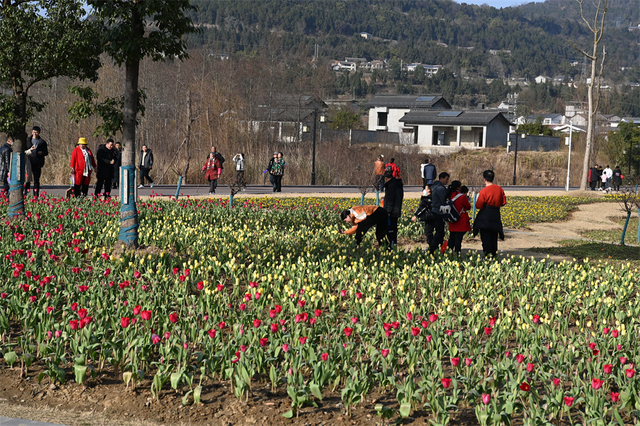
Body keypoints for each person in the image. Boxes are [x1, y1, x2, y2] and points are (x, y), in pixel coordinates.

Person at [473, 169, 507, 258]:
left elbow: (479, 205)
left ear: (484, 179)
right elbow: (503, 202)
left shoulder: (484, 191)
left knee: (486, 238)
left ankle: (487, 256)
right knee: (494, 238)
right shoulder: (499, 189)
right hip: (495, 215)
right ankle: (494, 256)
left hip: (485, 217)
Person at [427, 172, 450, 255]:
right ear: (441, 178)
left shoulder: (434, 186)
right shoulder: (440, 188)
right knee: (439, 232)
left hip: (433, 211)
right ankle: (433, 249)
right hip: (438, 212)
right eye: (446, 179)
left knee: (434, 232)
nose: (447, 181)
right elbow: (444, 200)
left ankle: (435, 248)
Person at [447, 182, 472, 256]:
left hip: (451, 219)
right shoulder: (461, 197)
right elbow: (468, 207)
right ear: (458, 187)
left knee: (451, 238)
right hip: (460, 220)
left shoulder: (448, 195)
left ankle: (448, 254)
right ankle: (457, 254)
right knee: (458, 239)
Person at [24, 126, 49, 198]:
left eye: (37, 132)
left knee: (36, 180)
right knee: (27, 179)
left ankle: (35, 195)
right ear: (32, 132)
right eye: (34, 132)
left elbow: (46, 152)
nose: (35, 133)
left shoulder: (42, 142)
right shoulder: (28, 140)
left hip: (37, 162)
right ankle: (26, 194)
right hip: (28, 162)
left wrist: (42, 153)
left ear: (39, 133)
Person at [383, 167, 403, 247]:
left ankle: (391, 246)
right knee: (394, 229)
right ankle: (393, 245)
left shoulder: (391, 186)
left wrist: (388, 211)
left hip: (391, 212)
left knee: (390, 230)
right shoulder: (398, 185)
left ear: (386, 178)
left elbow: (390, 200)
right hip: (396, 210)